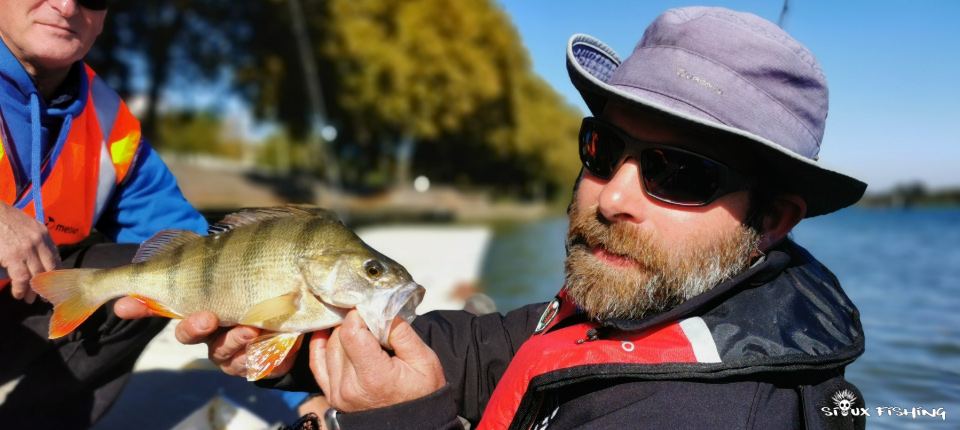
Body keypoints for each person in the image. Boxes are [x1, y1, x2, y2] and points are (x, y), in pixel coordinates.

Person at [121, 6, 868, 429]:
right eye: (604, 149)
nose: (610, 196)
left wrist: (403, 423)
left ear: (772, 219)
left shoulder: (711, 415)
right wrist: (297, 345)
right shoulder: (638, 304)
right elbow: (482, 351)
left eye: (683, 174)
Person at [0, 0, 208, 428]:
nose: (65, 5)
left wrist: (301, 381)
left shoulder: (111, 123)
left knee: (153, 276)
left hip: (15, 312)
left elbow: (212, 256)